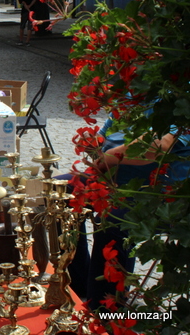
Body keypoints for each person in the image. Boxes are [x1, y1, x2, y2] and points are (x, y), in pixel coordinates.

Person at [62, 116, 190, 311]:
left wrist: (108, 157)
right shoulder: (127, 98)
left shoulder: (174, 100)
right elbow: (101, 140)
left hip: (157, 195)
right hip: (112, 181)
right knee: (56, 194)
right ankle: (77, 283)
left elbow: (160, 145)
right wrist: (91, 143)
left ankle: (106, 310)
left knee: (112, 223)